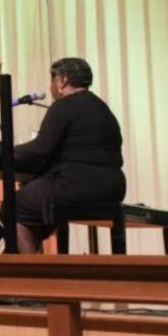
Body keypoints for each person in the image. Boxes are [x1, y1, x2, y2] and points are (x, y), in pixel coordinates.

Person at [14, 58, 126, 253]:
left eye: (52, 79)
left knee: (14, 206)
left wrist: (5, 151)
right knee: (37, 206)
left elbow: (41, 149)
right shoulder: (103, 109)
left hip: (77, 186)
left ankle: (32, 275)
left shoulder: (64, 105)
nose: (50, 87)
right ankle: (41, 268)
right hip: (113, 187)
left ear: (62, 81)